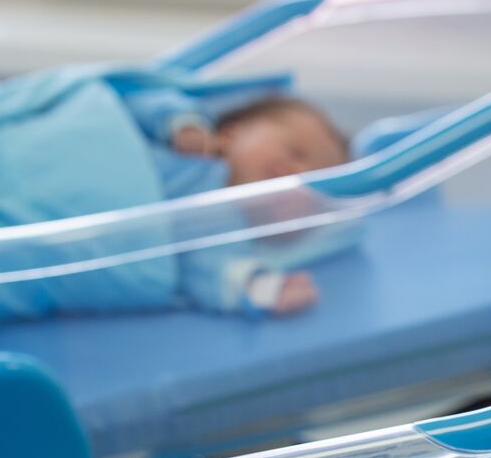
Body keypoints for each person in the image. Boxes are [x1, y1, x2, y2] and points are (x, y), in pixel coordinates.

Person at [124, 90, 349, 316]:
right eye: (295, 151)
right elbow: (136, 99)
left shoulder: (227, 227)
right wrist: (181, 121)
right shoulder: (187, 140)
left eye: (312, 184)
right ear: (230, 134)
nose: (297, 173)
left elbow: (207, 271)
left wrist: (263, 289)